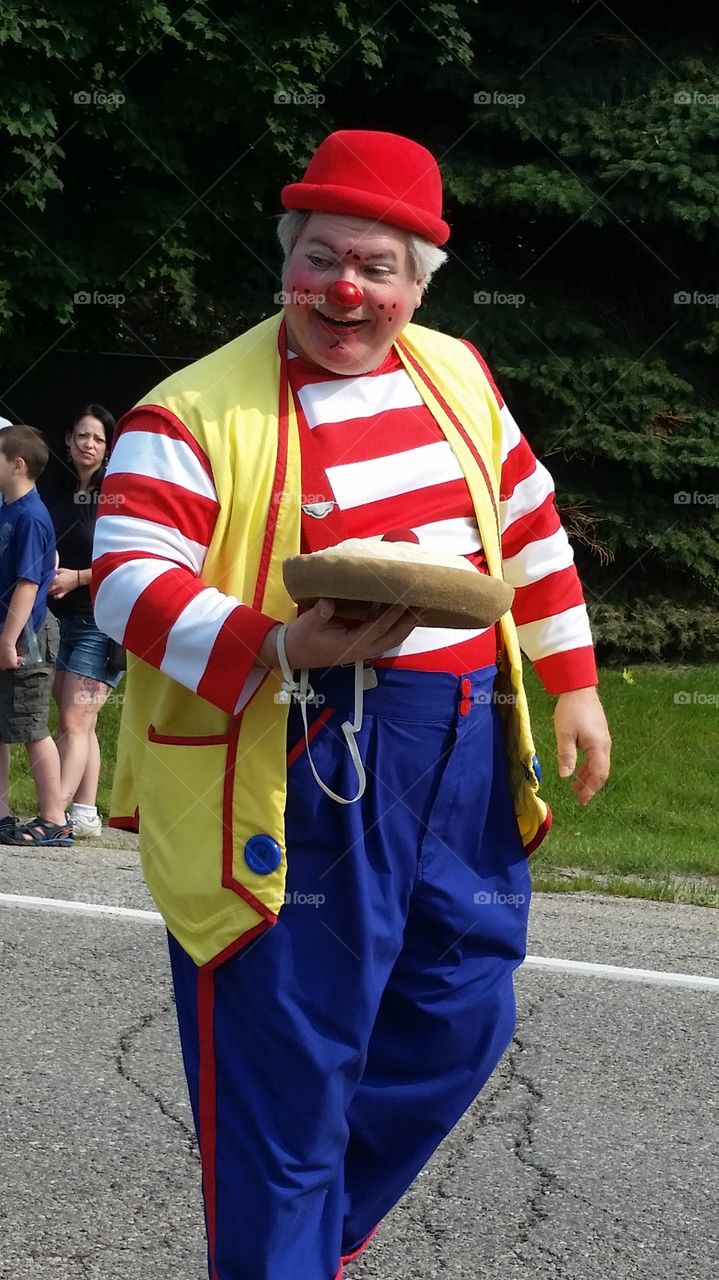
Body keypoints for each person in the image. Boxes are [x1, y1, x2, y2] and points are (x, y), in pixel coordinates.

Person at [92, 131, 611, 1280]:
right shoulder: (189, 410)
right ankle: (277, 1252)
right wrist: (276, 641)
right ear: (285, 261)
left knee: (459, 1010)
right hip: (302, 745)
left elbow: (524, 524)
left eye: (375, 266)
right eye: (321, 257)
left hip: (464, 740)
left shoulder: (456, 369)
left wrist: (570, 682)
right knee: (289, 1062)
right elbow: (126, 578)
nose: (345, 289)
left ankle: (301, 1242)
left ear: (418, 283)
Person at [43, 405, 123, 839]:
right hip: (59, 618)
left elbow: (127, 559)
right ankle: (85, 812)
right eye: (81, 436)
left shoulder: (118, 495)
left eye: (96, 438)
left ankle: (50, 818)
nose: (87, 444)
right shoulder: (55, 488)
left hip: (101, 620)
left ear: (108, 447)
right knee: (79, 721)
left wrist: (78, 578)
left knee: (73, 722)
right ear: (68, 440)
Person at [0, 424, 71, 846]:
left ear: (18, 464)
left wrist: (9, 640)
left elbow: (29, 584)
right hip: (8, 631)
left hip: (25, 634)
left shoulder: (30, 515)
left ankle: (54, 818)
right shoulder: (9, 510)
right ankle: (3, 813)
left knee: (30, 726)